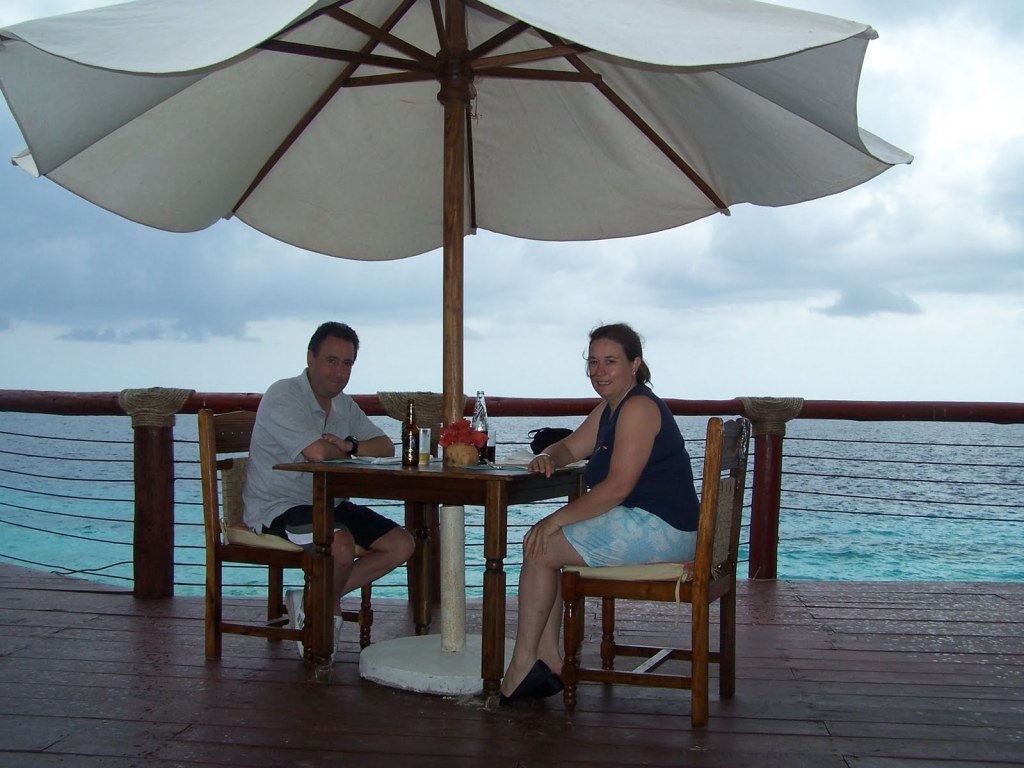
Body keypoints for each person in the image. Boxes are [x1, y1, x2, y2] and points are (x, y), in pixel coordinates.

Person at [499, 322, 700, 704]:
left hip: (662, 528)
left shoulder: (638, 407)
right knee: (545, 547)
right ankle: (548, 661)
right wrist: (548, 455)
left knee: (541, 546)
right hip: (647, 520)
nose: (599, 371)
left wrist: (554, 519)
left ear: (634, 364)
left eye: (610, 361)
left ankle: (524, 665)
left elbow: (618, 487)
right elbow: (570, 447)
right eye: (593, 362)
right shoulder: (611, 408)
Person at [242, 321, 415, 633]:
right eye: (331, 361)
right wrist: (346, 452)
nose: (339, 373)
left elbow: (385, 446)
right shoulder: (284, 394)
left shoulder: (342, 403)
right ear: (310, 357)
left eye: (347, 363)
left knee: (401, 544)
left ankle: (315, 599)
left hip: (329, 503)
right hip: (279, 507)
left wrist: (350, 446)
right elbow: (318, 453)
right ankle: (321, 631)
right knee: (340, 544)